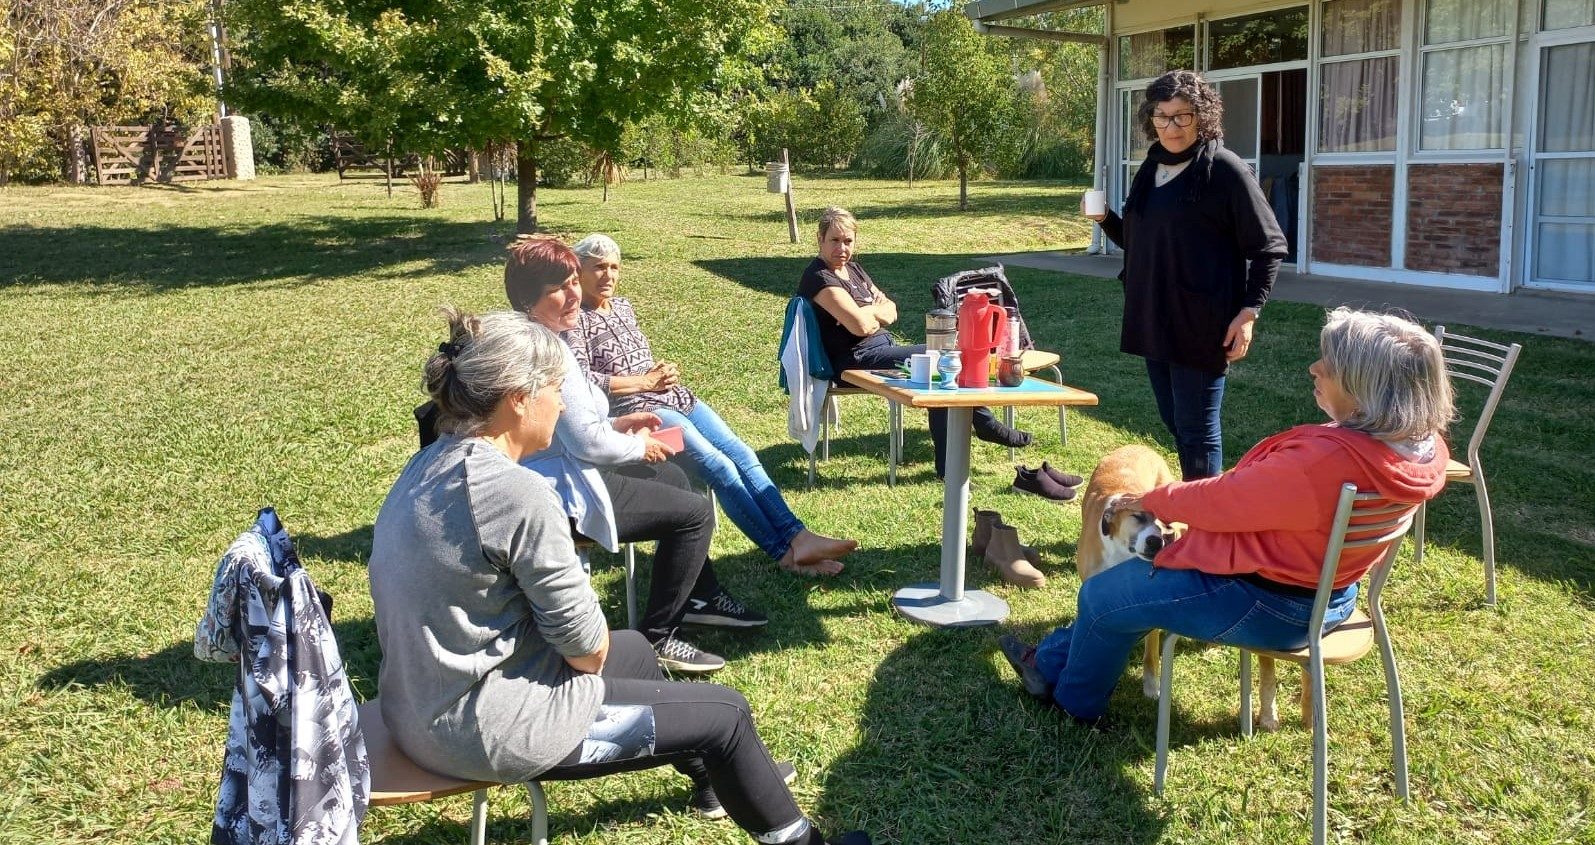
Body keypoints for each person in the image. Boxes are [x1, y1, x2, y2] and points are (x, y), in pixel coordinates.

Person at [368, 308, 870, 845]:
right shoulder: (516, 494)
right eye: (556, 390)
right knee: (726, 714)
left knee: (639, 650)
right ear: (518, 398)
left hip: (415, 705)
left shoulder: (429, 462)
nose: (562, 404)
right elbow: (588, 653)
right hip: (484, 731)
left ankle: (712, 780)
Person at [999, 308, 1454, 724]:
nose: (1314, 369)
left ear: (1364, 389)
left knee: (1105, 595)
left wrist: (1153, 503)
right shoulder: (1419, 449)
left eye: (1330, 366)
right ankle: (1047, 661)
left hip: (1270, 603)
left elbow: (1220, 502)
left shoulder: (1321, 465)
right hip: (1331, 597)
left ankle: (1072, 705)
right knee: (1124, 593)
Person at [507, 235, 762, 675]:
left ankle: (699, 596)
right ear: (530, 299)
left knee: (676, 481)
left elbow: (577, 428)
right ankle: (658, 638)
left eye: (573, 282)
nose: (573, 294)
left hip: (570, 467)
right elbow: (585, 444)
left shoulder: (547, 338)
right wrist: (636, 444)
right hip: (560, 490)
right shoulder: (547, 350)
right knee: (696, 513)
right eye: (559, 288)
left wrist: (617, 425)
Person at [569, 233, 859, 578]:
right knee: (718, 466)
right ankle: (785, 553)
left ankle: (799, 535)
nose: (609, 275)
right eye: (599, 267)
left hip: (673, 396)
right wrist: (643, 382)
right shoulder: (575, 320)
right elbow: (582, 382)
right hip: (639, 413)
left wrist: (659, 372)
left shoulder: (624, 307)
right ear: (579, 272)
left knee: (743, 453)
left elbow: (634, 359)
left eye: (614, 267)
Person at [1082, 70, 1288, 480]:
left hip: (1201, 320)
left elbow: (1269, 247)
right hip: (1154, 316)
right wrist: (1105, 219)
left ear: (1203, 116)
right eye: (1161, 116)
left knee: (1197, 429)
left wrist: (1248, 314)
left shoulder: (1225, 171)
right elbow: (1140, 243)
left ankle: (1205, 526)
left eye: (1182, 116)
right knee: (1175, 419)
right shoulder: (1152, 168)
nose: (1171, 127)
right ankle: (1203, 499)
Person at [797, 206, 1030, 478]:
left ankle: (966, 444)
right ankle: (976, 435)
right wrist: (873, 311)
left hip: (880, 350)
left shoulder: (854, 270)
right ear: (820, 240)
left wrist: (871, 312)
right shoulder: (819, 277)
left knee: (943, 361)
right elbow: (860, 326)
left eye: (848, 241)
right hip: (853, 362)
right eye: (834, 240)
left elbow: (891, 309)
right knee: (944, 358)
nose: (842, 248)